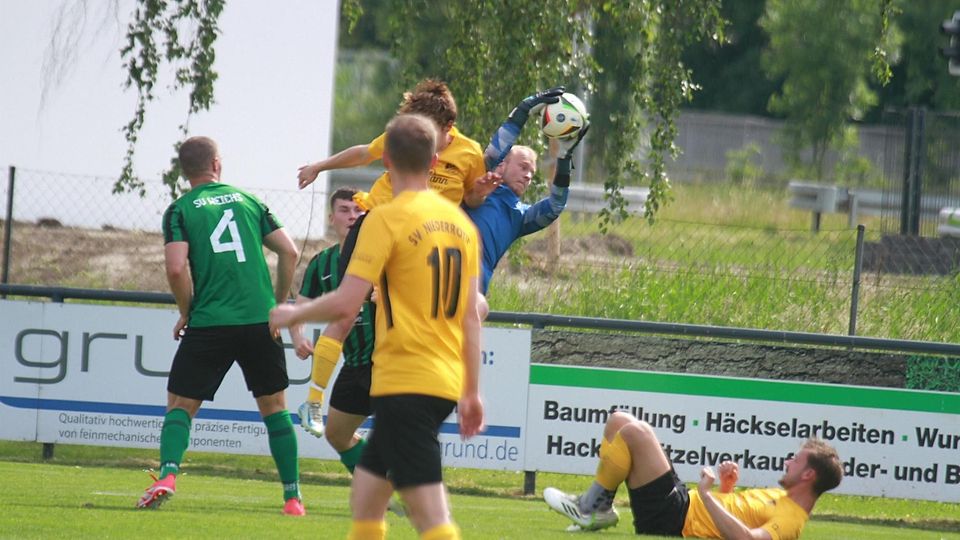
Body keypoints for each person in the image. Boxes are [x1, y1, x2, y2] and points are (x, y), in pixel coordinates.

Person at [293, 79, 562, 436]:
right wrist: (319, 167)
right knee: (349, 309)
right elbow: (363, 153)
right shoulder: (406, 138)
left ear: (447, 129)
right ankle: (313, 401)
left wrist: (479, 192)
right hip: (377, 224)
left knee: (442, 314)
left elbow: (473, 198)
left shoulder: (467, 154)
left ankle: (406, 402)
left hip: (420, 244)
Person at [270, 113, 484, 540]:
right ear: (436, 159)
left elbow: (349, 301)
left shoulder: (384, 218)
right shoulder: (461, 226)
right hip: (438, 379)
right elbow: (471, 315)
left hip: (408, 379)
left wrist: (294, 313)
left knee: (430, 516)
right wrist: (471, 391)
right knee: (367, 498)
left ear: (384, 159)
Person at [137, 136, 305, 516]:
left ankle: (167, 475)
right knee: (275, 407)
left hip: (211, 321)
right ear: (217, 164)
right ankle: (292, 498)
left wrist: (187, 310)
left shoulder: (180, 210)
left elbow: (176, 267)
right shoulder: (248, 200)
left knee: (181, 404)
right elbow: (290, 251)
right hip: (261, 321)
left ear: (185, 170)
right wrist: (278, 304)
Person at [544, 412, 843, 538]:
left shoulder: (793, 519)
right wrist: (726, 489)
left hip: (675, 520)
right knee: (619, 421)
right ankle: (601, 508)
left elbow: (749, 539)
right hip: (682, 504)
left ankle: (589, 507)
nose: (789, 461)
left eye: (797, 460)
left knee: (636, 432)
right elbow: (733, 519)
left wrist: (708, 496)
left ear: (808, 475)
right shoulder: (781, 496)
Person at [464, 124, 589, 317]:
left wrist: (564, 160)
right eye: (523, 167)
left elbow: (555, 206)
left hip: (473, 290)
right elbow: (496, 148)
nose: (528, 175)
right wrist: (526, 108)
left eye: (531, 173)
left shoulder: (520, 216)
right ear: (502, 164)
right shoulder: (475, 180)